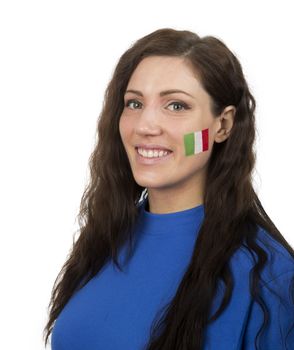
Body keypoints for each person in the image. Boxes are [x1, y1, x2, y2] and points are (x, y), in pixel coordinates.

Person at [43, 28, 294, 350]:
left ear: (223, 126)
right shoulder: (106, 239)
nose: (145, 126)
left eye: (176, 106)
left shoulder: (270, 277)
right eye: (134, 103)